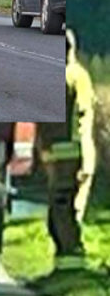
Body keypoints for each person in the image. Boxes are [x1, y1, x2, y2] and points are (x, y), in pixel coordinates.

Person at [37, 30, 96, 272]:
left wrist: (81, 158)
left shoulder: (72, 76)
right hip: (63, 154)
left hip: (69, 154)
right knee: (61, 212)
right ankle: (65, 263)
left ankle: (72, 261)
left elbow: (79, 117)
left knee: (64, 210)